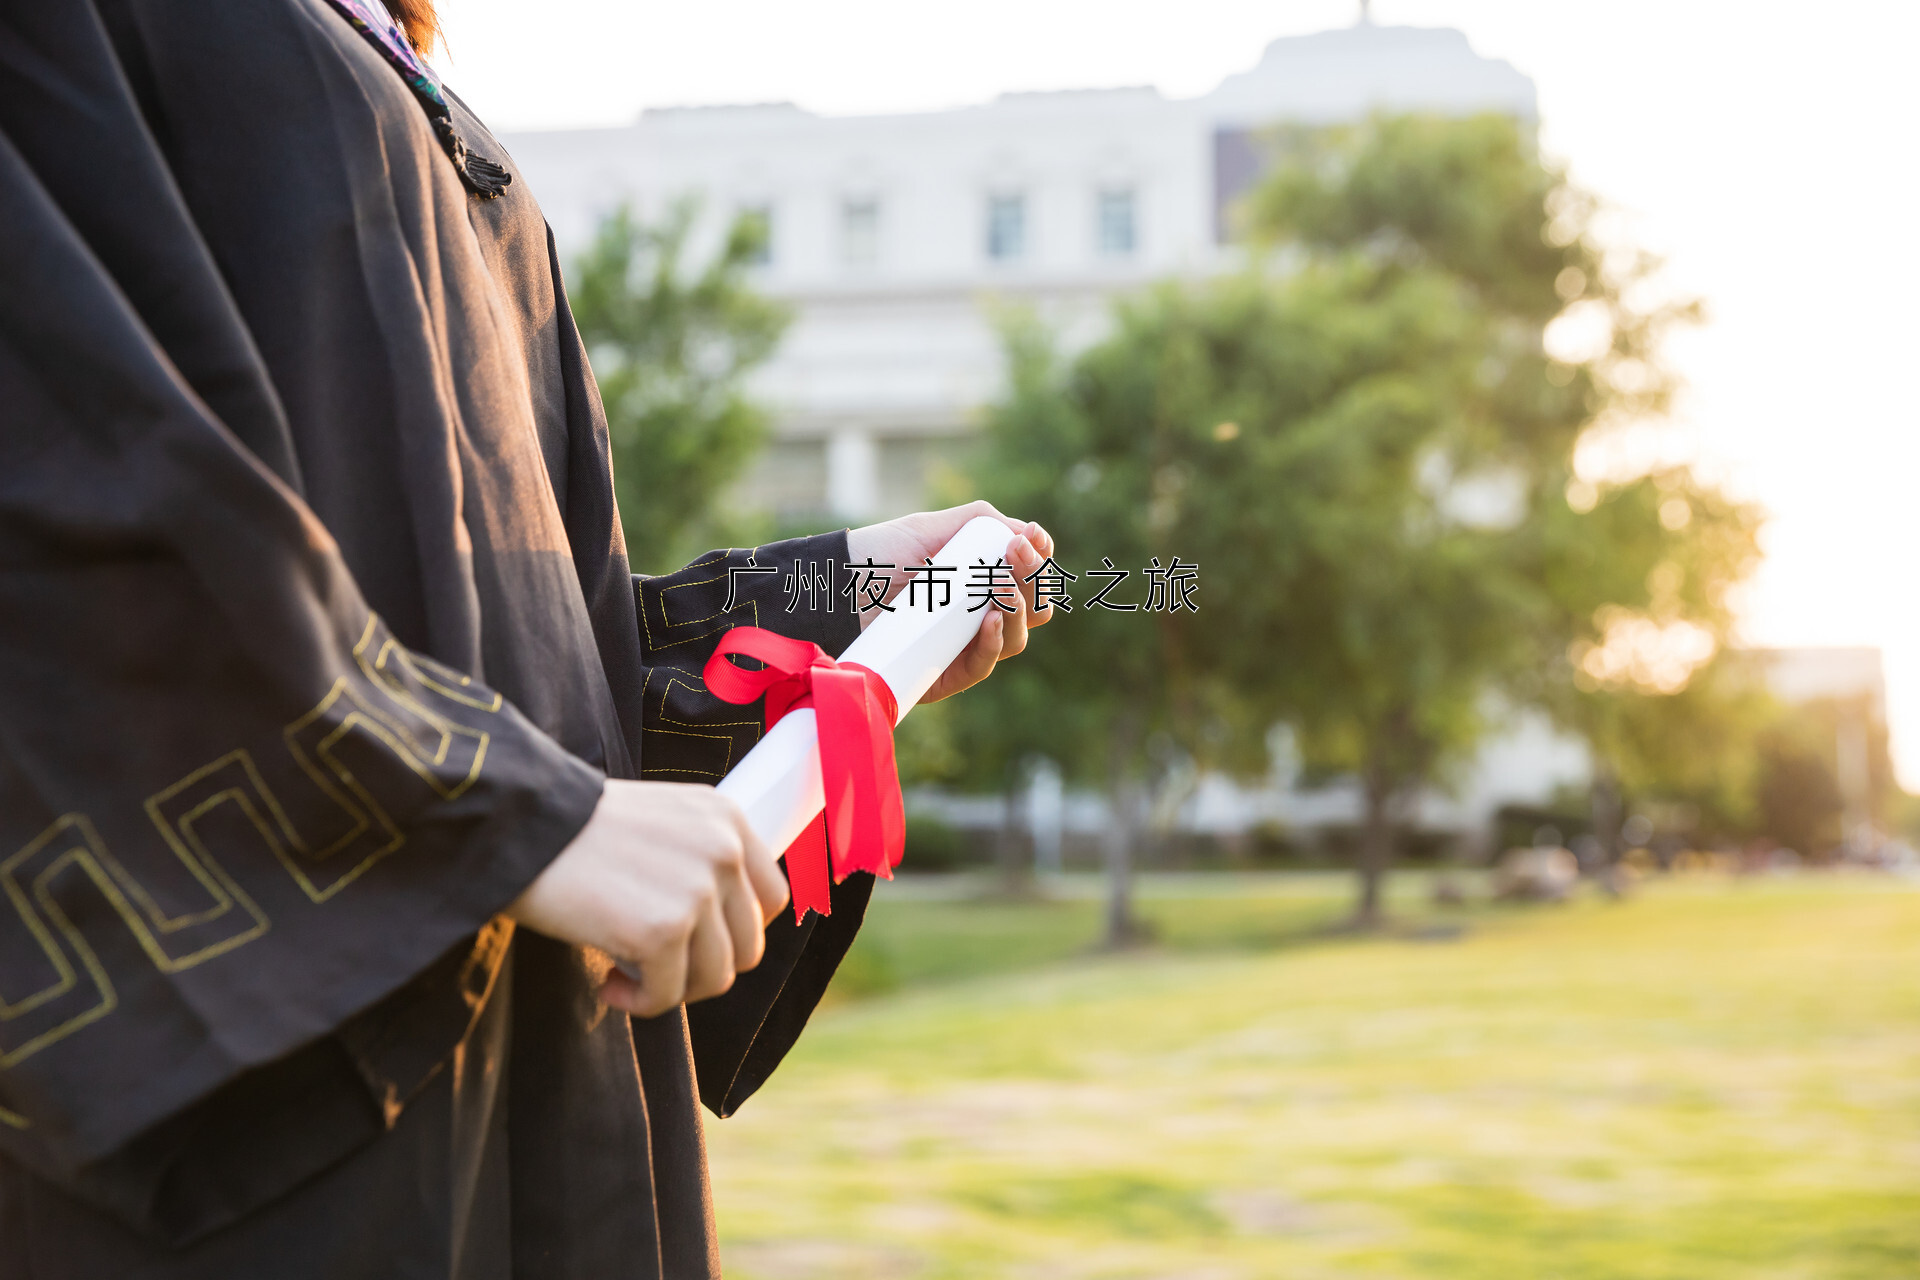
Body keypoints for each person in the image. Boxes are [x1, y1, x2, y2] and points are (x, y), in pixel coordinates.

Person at [0, 1, 1052, 1276]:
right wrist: (489, 803)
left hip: (543, 1056)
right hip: (293, 1106)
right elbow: (62, 493)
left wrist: (831, 605)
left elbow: (531, 645)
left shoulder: (384, 47)